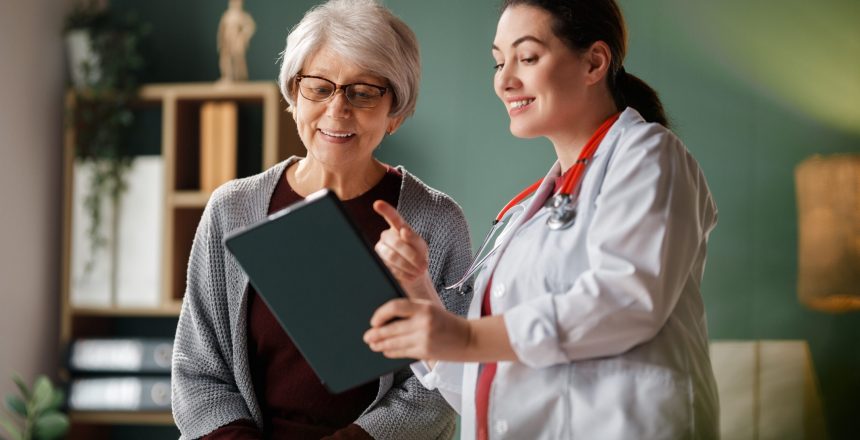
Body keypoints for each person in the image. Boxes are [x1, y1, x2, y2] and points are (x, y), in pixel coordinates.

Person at [364, 0, 720, 439]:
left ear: (594, 62)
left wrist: (468, 337)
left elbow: (626, 301)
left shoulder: (648, 155)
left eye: (527, 57)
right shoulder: (527, 216)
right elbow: (476, 387)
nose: (505, 80)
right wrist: (417, 284)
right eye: (498, 62)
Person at [172, 1, 472, 438]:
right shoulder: (231, 209)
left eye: (363, 91)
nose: (337, 110)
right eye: (319, 87)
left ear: (397, 112)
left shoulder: (437, 222)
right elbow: (198, 372)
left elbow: (441, 388)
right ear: (293, 96)